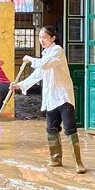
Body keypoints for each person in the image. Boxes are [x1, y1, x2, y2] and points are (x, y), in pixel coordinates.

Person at [14, 25, 85, 174]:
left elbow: (44, 65)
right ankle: (56, 159)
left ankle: (78, 163)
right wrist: (19, 85)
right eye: (40, 38)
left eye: (44, 37)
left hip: (63, 96)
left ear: (53, 38)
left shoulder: (58, 51)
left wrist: (30, 59)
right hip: (51, 97)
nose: (42, 40)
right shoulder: (45, 54)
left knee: (70, 128)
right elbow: (37, 75)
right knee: (51, 128)